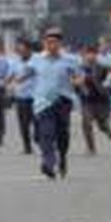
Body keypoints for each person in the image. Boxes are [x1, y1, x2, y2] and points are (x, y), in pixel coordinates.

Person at [29, 27, 80, 179]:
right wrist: (12, 82)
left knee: (62, 135)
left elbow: (79, 77)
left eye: (55, 42)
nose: (52, 45)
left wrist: (76, 81)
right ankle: (48, 163)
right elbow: (27, 72)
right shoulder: (36, 59)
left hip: (62, 101)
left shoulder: (70, 60)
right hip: (43, 102)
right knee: (46, 134)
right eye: (49, 42)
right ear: (44, 43)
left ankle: (62, 158)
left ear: (60, 44)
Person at [76, 44, 111, 155]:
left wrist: (105, 86)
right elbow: (75, 82)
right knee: (86, 122)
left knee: (103, 125)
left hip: (101, 100)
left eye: (93, 54)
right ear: (84, 55)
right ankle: (91, 148)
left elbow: (110, 81)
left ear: (96, 55)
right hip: (87, 100)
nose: (90, 56)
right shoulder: (80, 68)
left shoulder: (103, 67)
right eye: (88, 54)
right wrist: (79, 86)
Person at [8, 38, 36, 154]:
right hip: (21, 97)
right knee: (23, 124)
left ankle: (40, 139)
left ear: (29, 50)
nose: (21, 52)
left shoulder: (37, 60)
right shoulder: (15, 62)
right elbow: (10, 75)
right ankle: (27, 147)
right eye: (19, 50)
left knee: (39, 122)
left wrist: (21, 78)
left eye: (23, 50)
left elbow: (32, 72)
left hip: (36, 97)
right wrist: (6, 82)